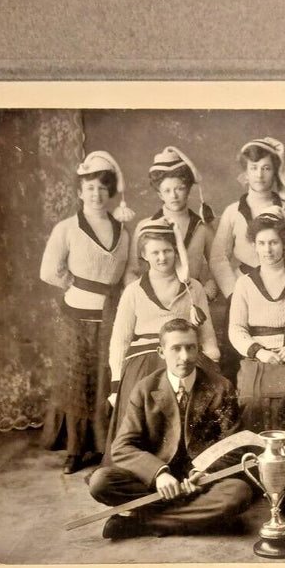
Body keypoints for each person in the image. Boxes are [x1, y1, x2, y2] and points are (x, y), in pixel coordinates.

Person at [88, 319, 254, 540]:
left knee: (238, 493)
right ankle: (201, 517)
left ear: (199, 349)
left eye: (190, 347)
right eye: (176, 348)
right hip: (158, 485)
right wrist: (158, 474)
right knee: (101, 482)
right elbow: (122, 446)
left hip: (201, 483)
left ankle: (139, 524)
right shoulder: (145, 388)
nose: (184, 357)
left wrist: (203, 473)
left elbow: (233, 444)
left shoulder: (220, 387)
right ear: (161, 351)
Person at [39, 150, 130, 474]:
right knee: (76, 380)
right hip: (74, 314)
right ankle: (74, 451)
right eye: (89, 187)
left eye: (102, 188)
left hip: (110, 315)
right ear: (80, 192)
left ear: (110, 192)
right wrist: (76, 288)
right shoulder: (67, 228)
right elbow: (49, 270)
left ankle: (101, 447)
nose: (96, 194)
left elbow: (129, 274)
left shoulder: (124, 231)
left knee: (105, 378)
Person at [105, 217, 218, 447]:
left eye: (167, 250)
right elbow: (120, 339)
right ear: (144, 255)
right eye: (155, 252)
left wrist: (212, 360)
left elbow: (206, 331)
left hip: (185, 356)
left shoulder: (193, 287)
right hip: (144, 360)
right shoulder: (133, 291)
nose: (162, 257)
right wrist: (116, 384)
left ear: (176, 251)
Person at [228, 210, 285, 431]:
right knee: (252, 400)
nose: (267, 249)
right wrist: (259, 352)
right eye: (261, 243)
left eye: (274, 243)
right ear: (254, 245)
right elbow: (236, 328)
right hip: (259, 358)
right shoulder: (245, 283)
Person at [209, 137, 285, 300]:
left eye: (266, 168)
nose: (259, 175)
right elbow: (218, 257)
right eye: (253, 168)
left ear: (275, 172)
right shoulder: (233, 211)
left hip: (283, 285)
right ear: (246, 173)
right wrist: (233, 293)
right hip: (243, 287)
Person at [124, 146, 217, 297]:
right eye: (167, 191)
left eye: (179, 189)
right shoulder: (145, 226)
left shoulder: (202, 228)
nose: (174, 196)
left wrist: (207, 294)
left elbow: (217, 267)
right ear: (160, 194)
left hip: (192, 300)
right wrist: (142, 297)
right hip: (156, 301)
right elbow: (131, 271)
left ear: (187, 189)